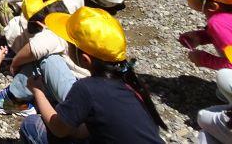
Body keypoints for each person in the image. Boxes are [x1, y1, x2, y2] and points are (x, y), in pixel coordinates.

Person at [19, 8, 164, 144]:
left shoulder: (86, 88)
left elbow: (58, 129)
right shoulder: (131, 82)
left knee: (31, 125)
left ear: (85, 59)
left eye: (69, 43)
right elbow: (85, 130)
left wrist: (37, 91)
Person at [0, 0, 81, 116]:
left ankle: (14, 99)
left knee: (45, 59)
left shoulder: (54, 33)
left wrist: (15, 63)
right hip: (85, 87)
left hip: (75, 96)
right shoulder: (73, 21)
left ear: (39, 23)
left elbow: (35, 48)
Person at [168, 0, 232, 143]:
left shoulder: (218, 23)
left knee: (224, 75)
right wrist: (201, 37)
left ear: (212, 5)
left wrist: (204, 59)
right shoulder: (225, 14)